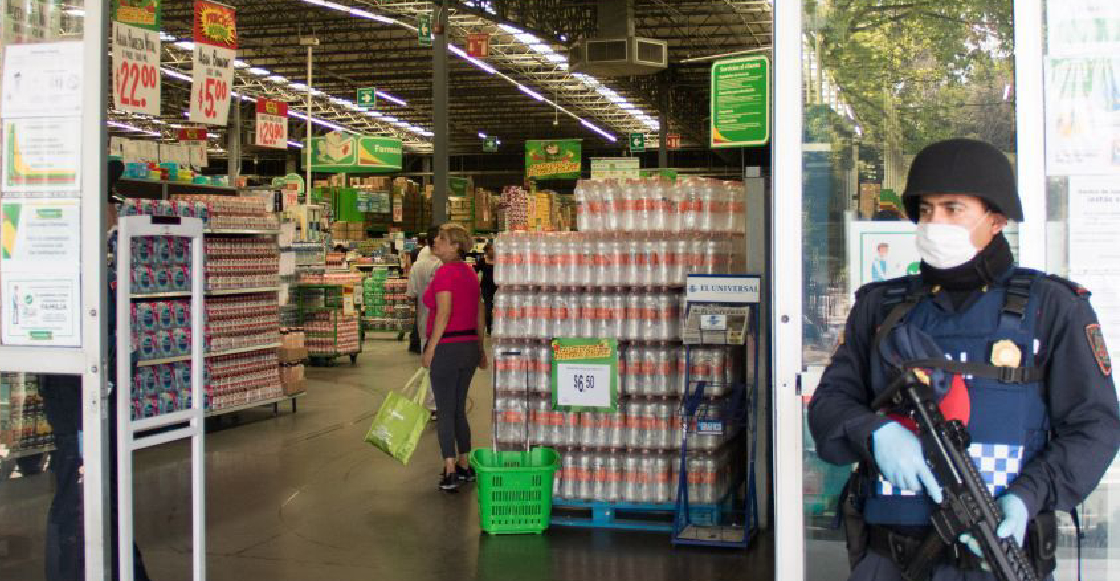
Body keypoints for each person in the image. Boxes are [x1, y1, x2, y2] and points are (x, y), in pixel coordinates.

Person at [808, 139, 1120, 581]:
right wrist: (874, 433)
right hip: (889, 560)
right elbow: (829, 407)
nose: (935, 222)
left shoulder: (1053, 307)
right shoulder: (880, 307)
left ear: (997, 218)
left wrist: (1029, 496)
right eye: (927, 210)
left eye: (953, 209)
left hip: (999, 556)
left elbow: (1096, 426)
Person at [39, 160, 152, 580]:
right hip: (80, 393)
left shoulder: (92, 257)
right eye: (111, 202)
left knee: (101, 491)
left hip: (97, 392)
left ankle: (124, 570)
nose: (114, 212)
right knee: (79, 492)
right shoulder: (75, 262)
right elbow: (96, 333)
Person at [421, 223, 488, 493]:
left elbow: (443, 313)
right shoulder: (471, 273)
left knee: (445, 410)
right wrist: (481, 349)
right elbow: (480, 313)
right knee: (459, 408)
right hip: (469, 346)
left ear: (455, 246)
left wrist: (430, 348)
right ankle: (464, 463)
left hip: (447, 348)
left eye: (442, 239)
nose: (436, 242)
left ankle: (449, 469)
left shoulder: (445, 274)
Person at [475, 242, 497, 333]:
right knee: (488, 307)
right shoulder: (483, 261)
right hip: (486, 287)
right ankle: (489, 328)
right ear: (486, 251)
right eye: (490, 250)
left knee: (498, 307)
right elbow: (475, 271)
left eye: (493, 249)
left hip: (498, 286)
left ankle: (497, 326)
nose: (492, 251)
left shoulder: (500, 260)